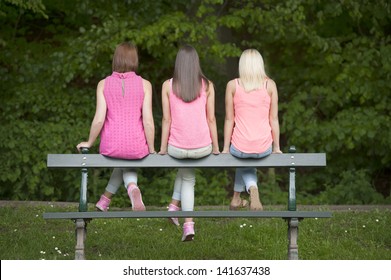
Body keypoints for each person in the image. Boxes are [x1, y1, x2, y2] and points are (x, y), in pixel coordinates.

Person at [76, 42, 155, 212]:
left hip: (111, 144)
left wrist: (89, 142)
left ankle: (104, 201)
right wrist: (152, 147)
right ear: (134, 59)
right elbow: (148, 120)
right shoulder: (145, 85)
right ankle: (132, 186)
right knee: (128, 159)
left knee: (121, 161)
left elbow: (99, 119)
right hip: (136, 144)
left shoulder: (103, 84)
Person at [158, 45, 219, 242]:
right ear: (196, 63)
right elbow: (211, 119)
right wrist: (216, 147)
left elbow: (166, 120)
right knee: (188, 177)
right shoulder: (207, 85)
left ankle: (178, 212)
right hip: (202, 147)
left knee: (185, 171)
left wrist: (163, 148)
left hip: (176, 147)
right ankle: (184, 220)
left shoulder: (168, 86)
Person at [222, 49, 282, 211]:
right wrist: (276, 147)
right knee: (248, 158)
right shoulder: (270, 85)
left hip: (239, 146)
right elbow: (274, 119)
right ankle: (236, 198)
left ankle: (251, 188)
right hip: (264, 146)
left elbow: (229, 119)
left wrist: (226, 148)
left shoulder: (232, 85)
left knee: (243, 156)